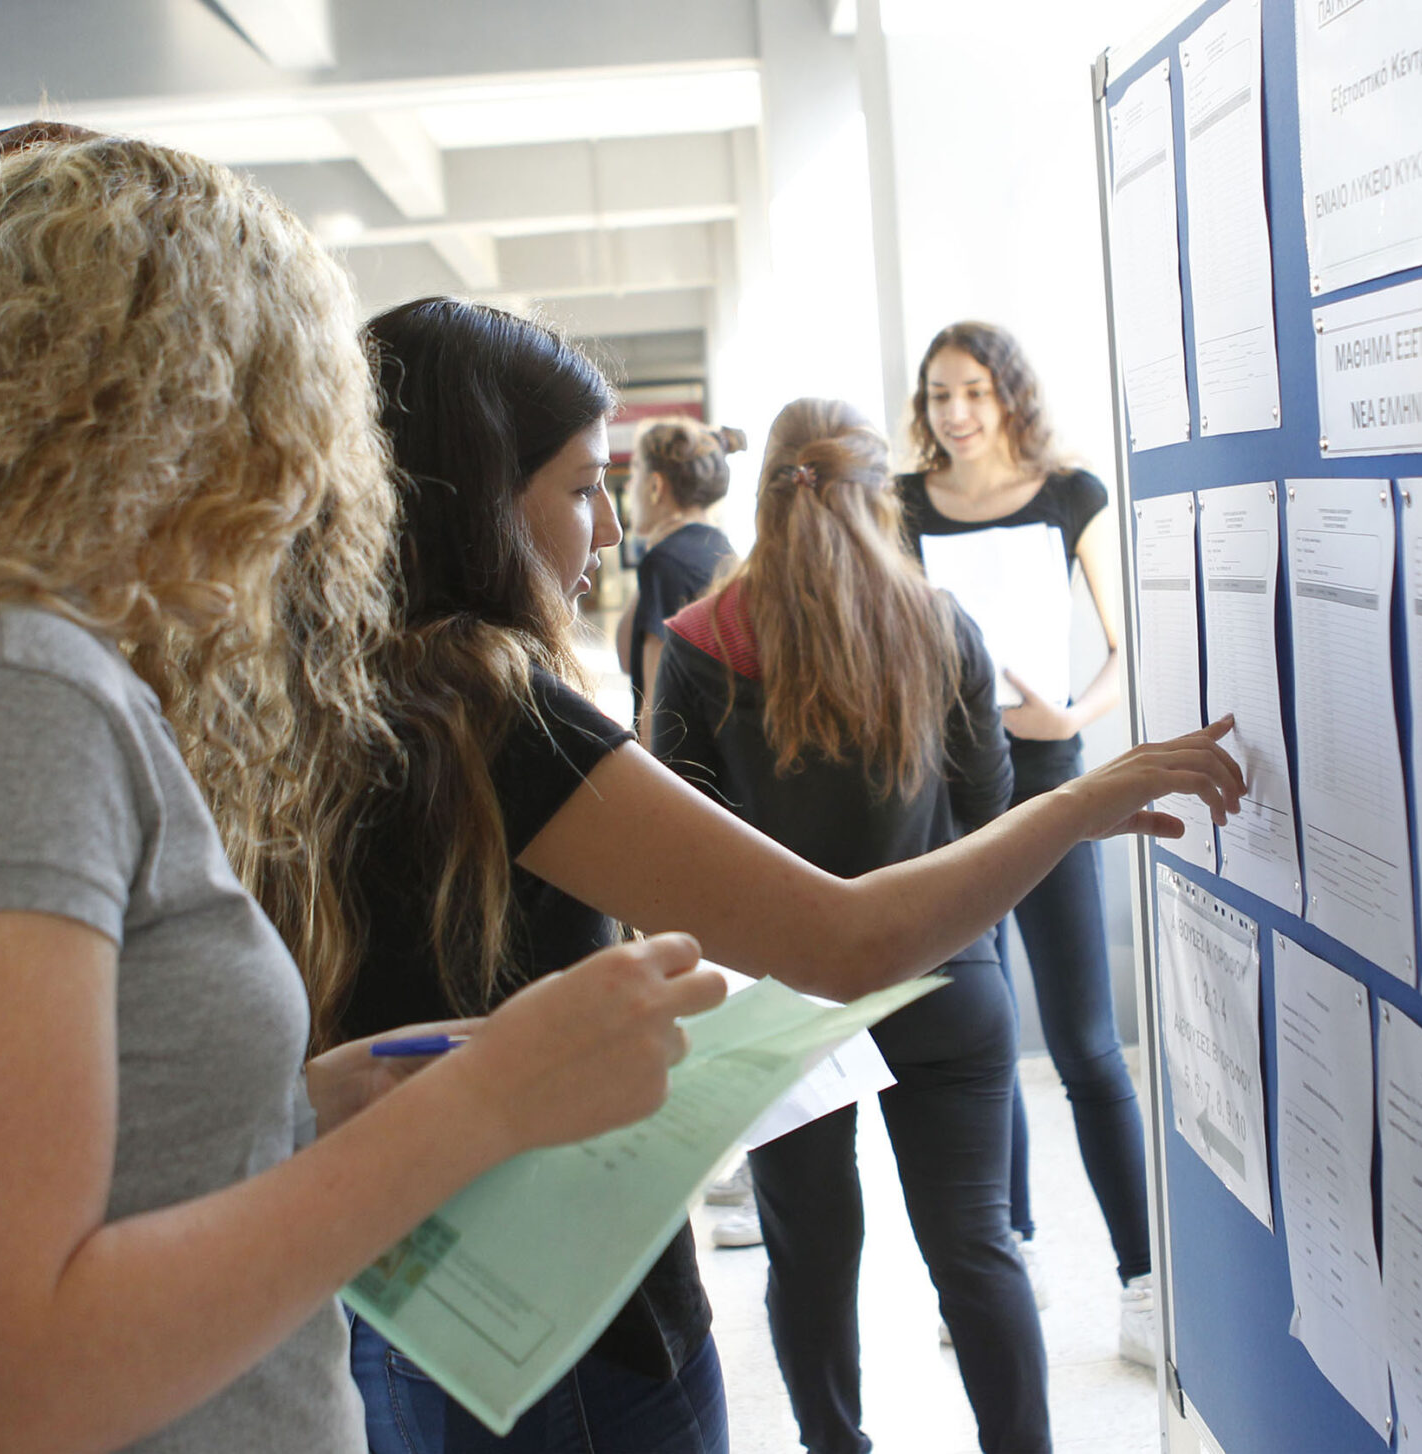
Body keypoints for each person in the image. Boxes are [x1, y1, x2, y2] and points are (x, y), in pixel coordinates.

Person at [0, 134, 723, 1454]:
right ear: (210, 407)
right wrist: (491, 1100)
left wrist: (301, 1111)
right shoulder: (8, 692)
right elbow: (0, 1382)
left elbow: (20, 1167)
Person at [331, 297, 1247, 1454]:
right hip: (556, 1309)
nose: (611, 527)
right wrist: (1069, 804)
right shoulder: (494, 711)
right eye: (577, 487)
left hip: (436, 1289)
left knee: (815, 1250)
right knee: (975, 1245)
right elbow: (851, 925)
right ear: (474, 498)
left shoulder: (362, 689)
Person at [653, 397, 1049, 1453]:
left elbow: (676, 844)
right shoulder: (941, 623)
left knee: (810, 1252)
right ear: (884, 496)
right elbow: (989, 814)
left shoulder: (697, 644)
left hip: (782, 997)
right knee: (976, 1248)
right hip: (944, 977)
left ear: (767, 488)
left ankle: (838, 1445)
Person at [895, 319, 1157, 1362]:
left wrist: (1072, 715)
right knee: (981, 1034)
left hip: (1049, 781)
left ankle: (1142, 1280)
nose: (953, 413)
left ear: (1007, 395)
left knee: (1087, 1041)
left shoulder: (1069, 494)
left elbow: (1128, 639)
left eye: (970, 392)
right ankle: (1011, 1251)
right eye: (936, 395)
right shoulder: (901, 505)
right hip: (948, 794)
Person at [615, 417, 742, 746]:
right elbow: (628, 658)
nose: (630, 488)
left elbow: (655, 710)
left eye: (635, 472)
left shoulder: (666, 564)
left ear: (656, 486)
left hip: (683, 770)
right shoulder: (721, 550)